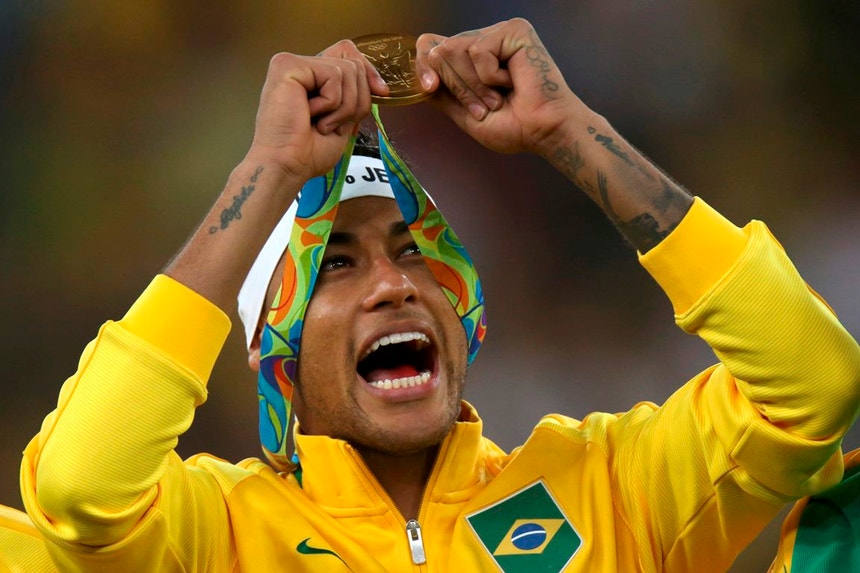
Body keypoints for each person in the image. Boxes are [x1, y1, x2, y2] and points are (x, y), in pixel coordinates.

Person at [10, 17, 860, 572]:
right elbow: (82, 485)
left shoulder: (610, 486)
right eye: (335, 265)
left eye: (416, 254)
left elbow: (813, 385)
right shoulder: (215, 535)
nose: (393, 285)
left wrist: (571, 132)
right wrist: (267, 172)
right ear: (278, 355)